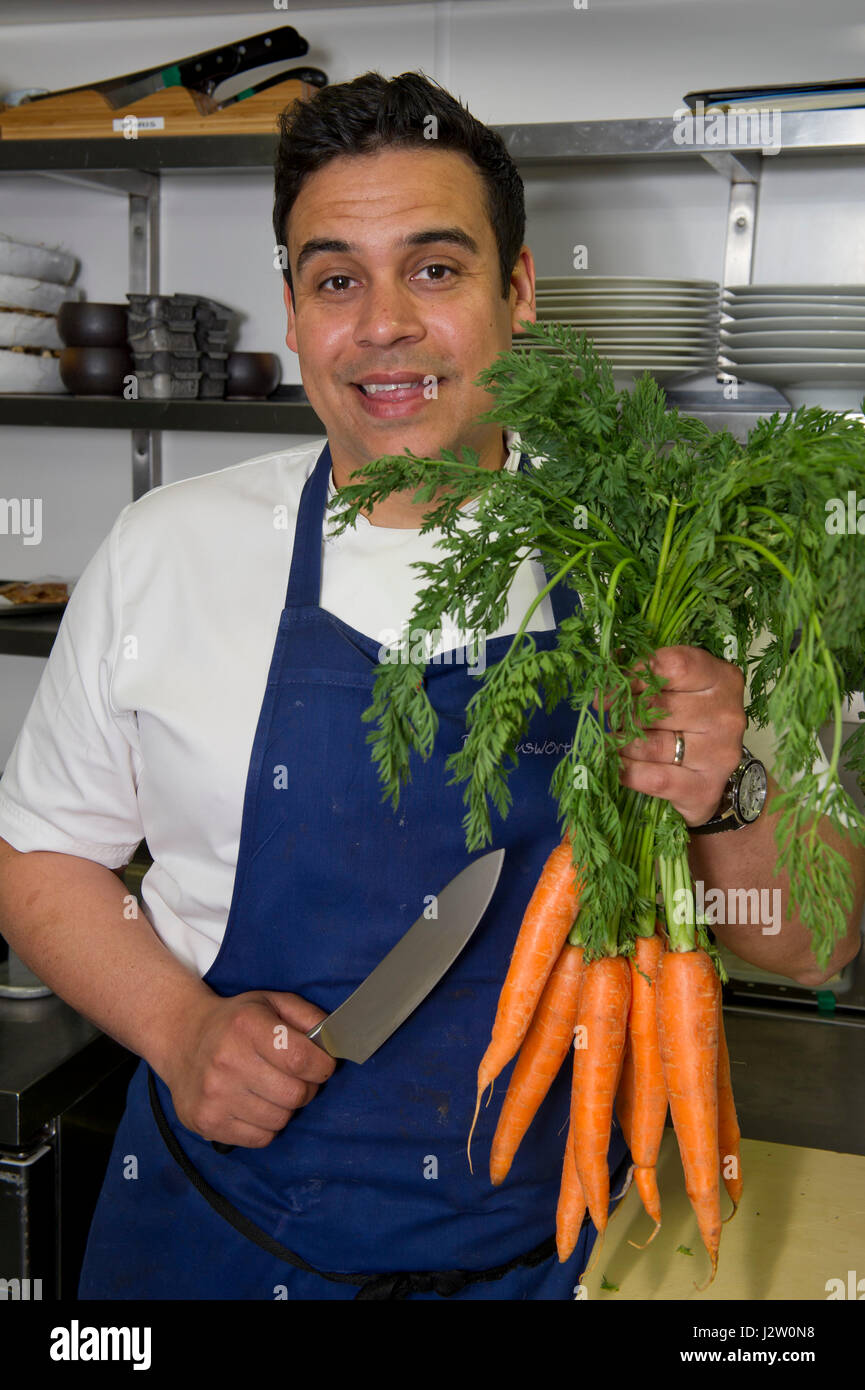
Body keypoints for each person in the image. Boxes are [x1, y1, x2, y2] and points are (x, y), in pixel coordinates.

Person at [0, 71, 862, 1302]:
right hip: (216, 1243)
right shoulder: (166, 551)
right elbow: (40, 861)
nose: (384, 323)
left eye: (436, 268)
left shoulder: (666, 556)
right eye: (335, 276)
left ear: (518, 292)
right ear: (292, 310)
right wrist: (182, 1031)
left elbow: (815, 936)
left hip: (557, 1254)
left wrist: (730, 792)